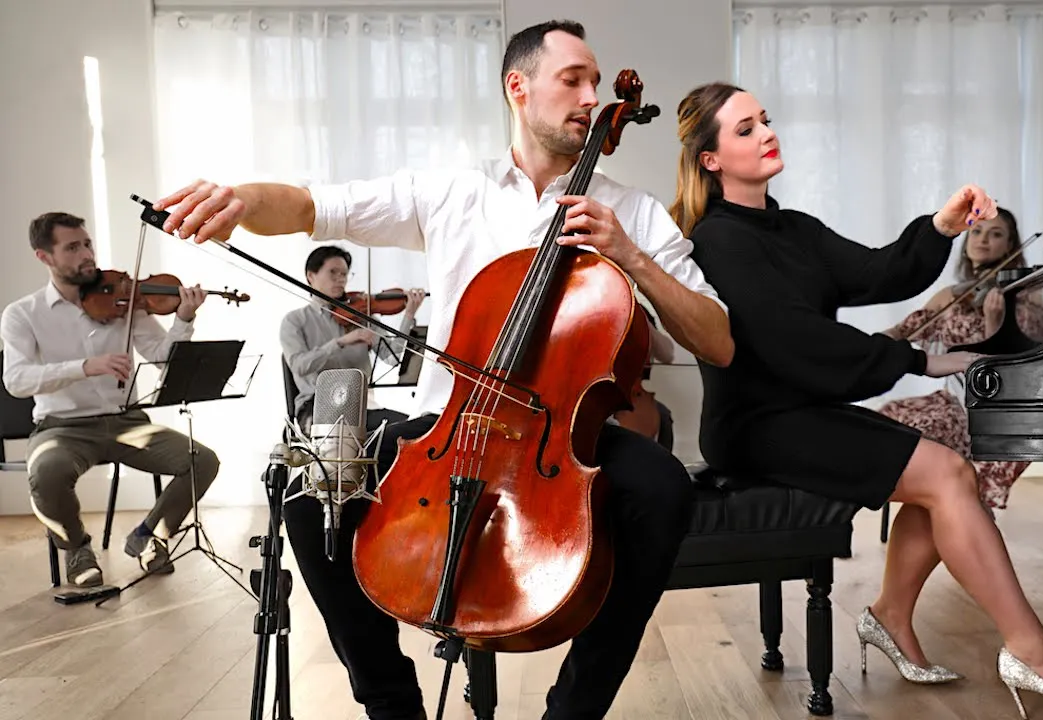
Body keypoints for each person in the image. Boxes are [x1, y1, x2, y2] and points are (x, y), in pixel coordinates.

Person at [151, 20, 733, 720]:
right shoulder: (452, 190)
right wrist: (240, 201)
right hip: (446, 425)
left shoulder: (630, 210)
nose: (591, 96)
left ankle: (572, 713)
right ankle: (392, 705)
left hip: (561, 433)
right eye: (573, 79)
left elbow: (718, 342)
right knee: (311, 483)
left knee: (663, 488)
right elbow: (311, 205)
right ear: (519, 88)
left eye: (596, 83)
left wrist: (631, 256)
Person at [671, 82, 1043, 718]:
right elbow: (797, 341)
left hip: (799, 410)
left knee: (948, 474)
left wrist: (942, 224)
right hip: (758, 425)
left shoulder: (793, 228)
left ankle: (891, 616)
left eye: (766, 120)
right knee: (947, 474)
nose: (767, 133)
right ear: (711, 159)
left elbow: (878, 271)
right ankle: (1033, 653)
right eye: (745, 129)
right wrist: (922, 360)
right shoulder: (719, 240)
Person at [1, 212, 220, 587]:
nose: (87, 254)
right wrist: (84, 367)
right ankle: (77, 548)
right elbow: (16, 380)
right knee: (47, 473)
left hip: (126, 422)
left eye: (87, 244)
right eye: (72, 247)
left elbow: (163, 359)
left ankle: (149, 536)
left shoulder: (123, 300)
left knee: (203, 460)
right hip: (62, 428)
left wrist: (183, 319)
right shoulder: (23, 314)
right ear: (44, 257)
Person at [879, 208, 1043, 510]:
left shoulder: (1027, 296)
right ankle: (938, 508)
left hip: (994, 409)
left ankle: (953, 509)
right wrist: (864, 344)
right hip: (952, 400)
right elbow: (902, 331)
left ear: (1010, 244)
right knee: (889, 419)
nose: (983, 240)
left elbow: (1017, 367)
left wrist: (994, 323)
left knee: (929, 436)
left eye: (996, 234)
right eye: (976, 232)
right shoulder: (951, 296)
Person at [280, 244, 426, 429]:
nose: (341, 279)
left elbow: (392, 356)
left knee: (414, 427)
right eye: (333, 272)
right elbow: (299, 366)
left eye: (344, 274)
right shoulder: (295, 321)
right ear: (311, 276)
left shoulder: (360, 315)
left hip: (360, 407)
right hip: (317, 408)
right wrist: (340, 342)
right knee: (360, 430)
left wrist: (409, 315)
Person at [613, 303, 677, 450]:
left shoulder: (639, 312)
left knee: (663, 416)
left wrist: (640, 319)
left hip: (635, 397)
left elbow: (668, 355)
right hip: (597, 394)